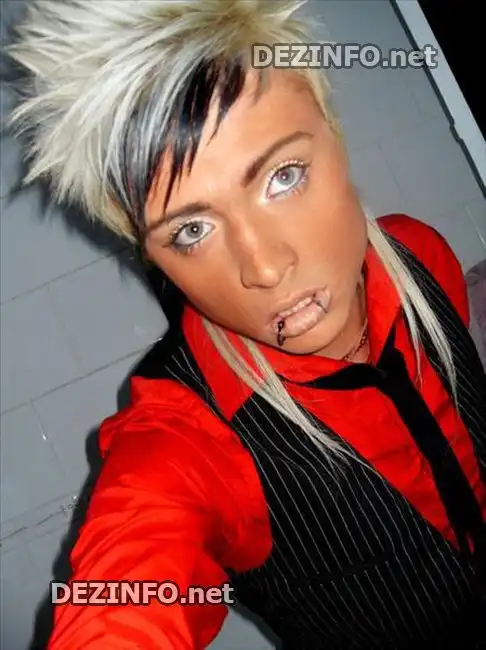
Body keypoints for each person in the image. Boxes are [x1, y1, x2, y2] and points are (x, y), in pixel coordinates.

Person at [4, 1, 486, 648]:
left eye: (283, 177)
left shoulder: (422, 256)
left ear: (335, 138)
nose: (264, 267)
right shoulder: (187, 441)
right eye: (191, 230)